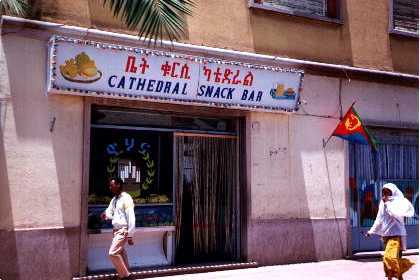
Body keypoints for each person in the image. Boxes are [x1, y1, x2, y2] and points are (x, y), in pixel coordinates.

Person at [366, 183, 415, 280]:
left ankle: (408, 264)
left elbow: (395, 214)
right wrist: (371, 231)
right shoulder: (382, 203)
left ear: (392, 192)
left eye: (387, 192)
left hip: (396, 235)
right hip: (386, 235)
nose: (384, 194)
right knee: (392, 261)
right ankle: (395, 277)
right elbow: (379, 219)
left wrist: (387, 203)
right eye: (383, 192)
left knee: (389, 258)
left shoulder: (398, 202)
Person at [101, 177, 136, 280]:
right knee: (120, 252)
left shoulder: (126, 198)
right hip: (116, 231)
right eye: (110, 185)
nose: (110, 187)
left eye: (111, 185)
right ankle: (125, 274)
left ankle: (125, 276)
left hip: (123, 230)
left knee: (113, 253)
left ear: (118, 185)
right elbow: (110, 212)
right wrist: (105, 215)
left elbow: (131, 216)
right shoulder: (114, 199)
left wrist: (130, 235)